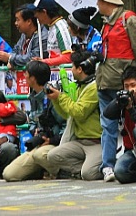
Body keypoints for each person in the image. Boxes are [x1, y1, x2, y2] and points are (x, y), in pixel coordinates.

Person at [94, 0, 136, 182]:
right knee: (108, 125)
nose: (97, 2)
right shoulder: (106, 23)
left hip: (125, 84)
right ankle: (108, 166)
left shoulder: (129, 19)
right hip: (106, 82)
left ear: (107, 2)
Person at [2, 61, 66, 182]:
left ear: (33, 78)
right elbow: (32, 121)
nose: (24, 76)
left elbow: (67, 126)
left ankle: (64, 171)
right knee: (9, 174)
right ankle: (40, 169)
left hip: (57, 145)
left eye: (26, 74)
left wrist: (51, 140)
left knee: (39, 155)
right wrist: (35, 131)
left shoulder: (53, 96)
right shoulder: (33, 97)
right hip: (40, 145)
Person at [44, 49, 103, 180]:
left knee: (88, 174)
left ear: (80, 69)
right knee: (52, 156)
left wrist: (61, 97)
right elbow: (68, 115)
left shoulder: (93, 87)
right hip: (80, 142)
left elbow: (79, 112)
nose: (71, 70)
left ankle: (90, 169)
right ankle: (85, 168)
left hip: (96, 142)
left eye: (72, 66)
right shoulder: (79, 86)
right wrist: (56, 100)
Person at [33, 0, 73, 66]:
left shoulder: (61, 28)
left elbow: (68, 57)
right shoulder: (52, 26)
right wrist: (43, 61)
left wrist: (45, 62)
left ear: (44, 12)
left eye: (36, 12)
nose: (35, 16)